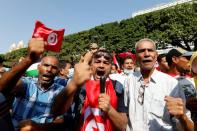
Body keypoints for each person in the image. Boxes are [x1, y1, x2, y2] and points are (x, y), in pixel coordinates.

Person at [124, 38, 194, 131]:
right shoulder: (129, 80)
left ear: (156, 55)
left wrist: (182, 117)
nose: (146, 54)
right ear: (136, 57)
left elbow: (189, 128)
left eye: (150, 50)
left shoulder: (172, 84)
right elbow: (125, 114)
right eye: (141, 51)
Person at [0, 38, 65, 129]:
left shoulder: (61, 91)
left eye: (54, 67)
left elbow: (60, 122)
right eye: (46, 65)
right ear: (38, 68)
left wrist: (38, 127)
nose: (49, 70)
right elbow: (2, 87)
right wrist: (29, 59)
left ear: (58, 72)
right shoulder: (27, 83)